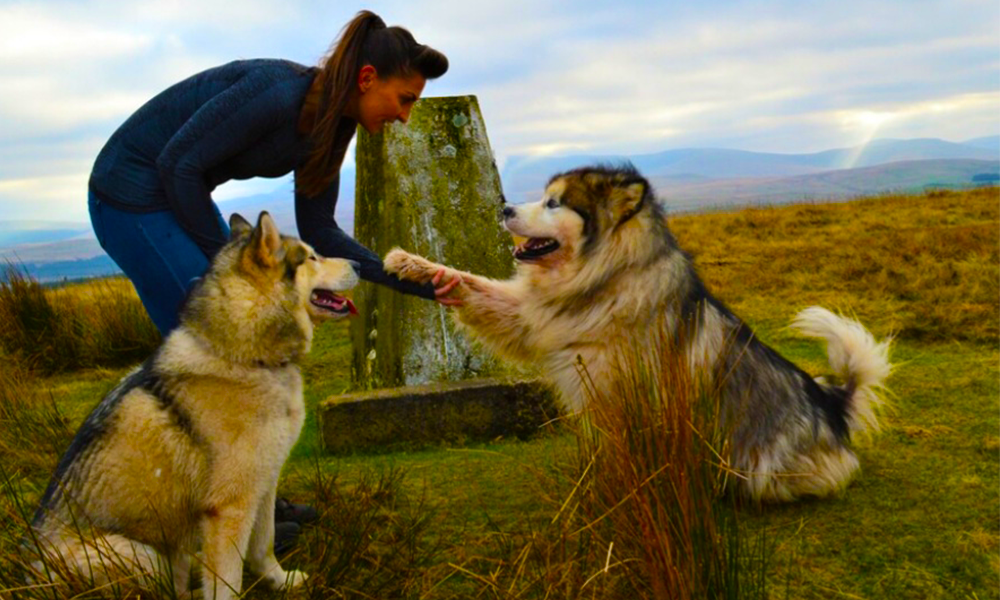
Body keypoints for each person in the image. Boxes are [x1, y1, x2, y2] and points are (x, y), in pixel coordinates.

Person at [87, 10, 458, 554]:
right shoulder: (278, 93)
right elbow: (178, 165)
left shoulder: (329, 132)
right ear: (368, 79)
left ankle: (249, 507)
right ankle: (192, 521)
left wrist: (419, 281)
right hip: (128, 195)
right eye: (405, 99)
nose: (405, 116)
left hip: (169, 193)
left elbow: (321, 233)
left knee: (235, 354)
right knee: (214, 349)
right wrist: (236, 276)